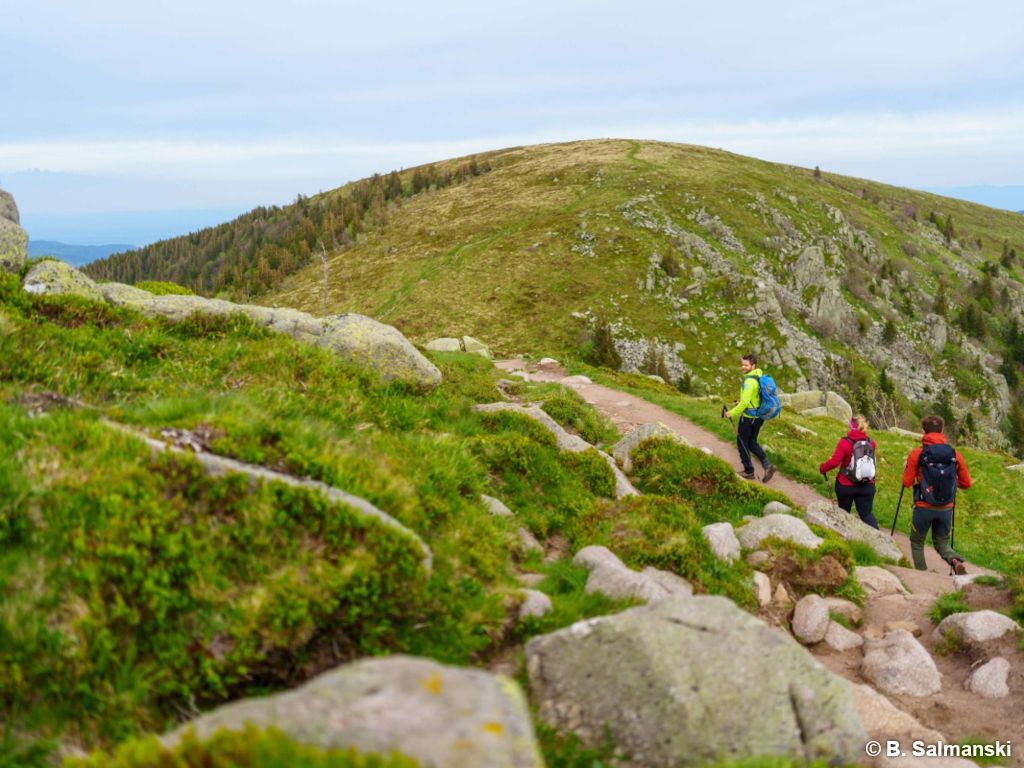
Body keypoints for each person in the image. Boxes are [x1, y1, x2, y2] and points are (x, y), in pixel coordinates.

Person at [901, 415, 972, 573]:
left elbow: (906, 482)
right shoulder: (955, 454)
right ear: (942, 431)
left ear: (923, 431)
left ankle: (923, 573)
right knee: (942, 543)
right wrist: (952, 483)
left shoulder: (918, 453)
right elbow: (967, 483)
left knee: (917, 542)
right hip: (946, 507)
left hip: (923, 506)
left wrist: (908, 470)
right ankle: (954, 561)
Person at [819, 414, 879, 529]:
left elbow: (835, 462)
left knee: (844, 513)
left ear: (851, 426)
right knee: (866, 514)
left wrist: (823, 468)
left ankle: (843, 538)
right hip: (867, 485)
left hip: (846, 486)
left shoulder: (844, 442)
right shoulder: (871, 443)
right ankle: (880, 542)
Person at [725, 353, 776, 482]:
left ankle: (749, 471)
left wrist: (731, 413)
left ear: (753, 365)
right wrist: (741, 403)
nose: (743, 367)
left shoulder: (749, 381)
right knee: (752, 441)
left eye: (746, 365)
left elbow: (745, 403)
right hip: (758, 417)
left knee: (742, 442)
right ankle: (767, 465)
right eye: (742, 364)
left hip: (748, 418)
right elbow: (753, 398)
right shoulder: (759, 376)